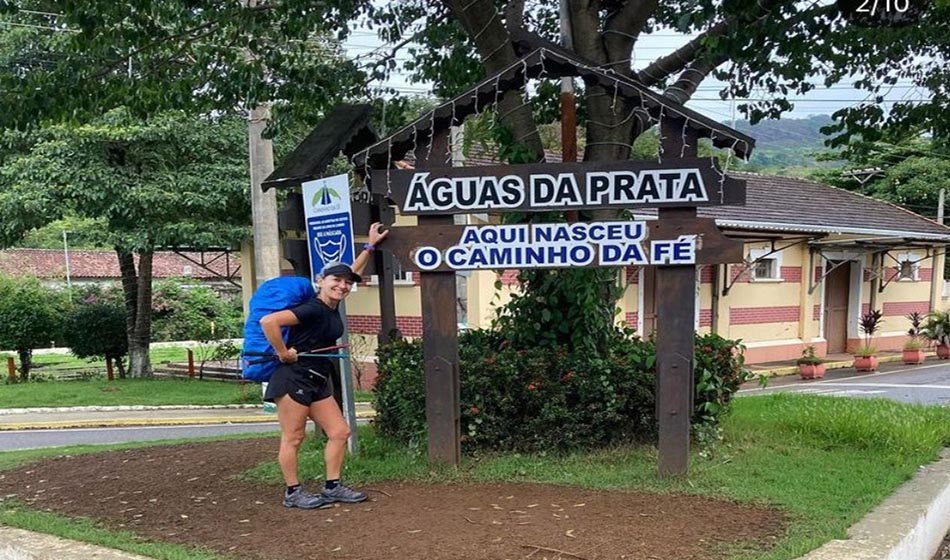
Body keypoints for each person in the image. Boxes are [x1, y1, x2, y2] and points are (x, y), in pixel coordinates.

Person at [260, 222, 389, 509]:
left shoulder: (332, 306)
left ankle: (332, 487)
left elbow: (351, 270)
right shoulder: (313, 307)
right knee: (293, 437)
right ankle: (293, 492)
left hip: (316, 379)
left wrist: (369, 246)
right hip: (293, 378)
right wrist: (283, 352)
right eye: (336, 281)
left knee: (340, 431)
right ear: (321, 281)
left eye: (347, 283)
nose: (342, 285)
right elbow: (269, 322)